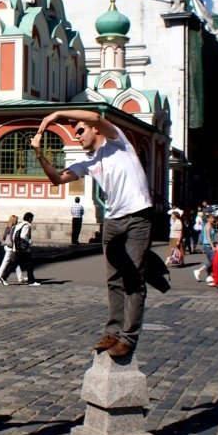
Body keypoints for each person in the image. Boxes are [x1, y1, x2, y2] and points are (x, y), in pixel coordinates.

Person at [32, 109, 153, 359]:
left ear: (94, 129)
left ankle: (128, 337)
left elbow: (96, 117)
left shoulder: (118, 142)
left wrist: (56, 115)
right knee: (113, 279)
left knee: (133, 279)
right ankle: (113, 331)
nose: (76, 136)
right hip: (113, 221)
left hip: (137, 216)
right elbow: (56, 179)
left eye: (80, 130)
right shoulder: (87, 162)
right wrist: (38, 152)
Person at [13, 212, 40, 286]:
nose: (32, 220)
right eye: (32, 219)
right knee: (28, 264)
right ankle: (31, 281)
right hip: (24, 248)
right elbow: (23, 236)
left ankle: (4, 277)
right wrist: (29, 242)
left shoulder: (19, 225)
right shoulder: (26, 225)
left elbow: (14, 236)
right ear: (30, 219)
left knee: (19, 263)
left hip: (19, 248)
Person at [0, 214, 22, 285]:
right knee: (5, 263)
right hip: (11, 248)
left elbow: (4, 238)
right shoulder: (13, 228)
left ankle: (20, 277)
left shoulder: (8, 228)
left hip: (8, 246)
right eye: (17, 220)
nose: (17, 222)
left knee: (16, 262)